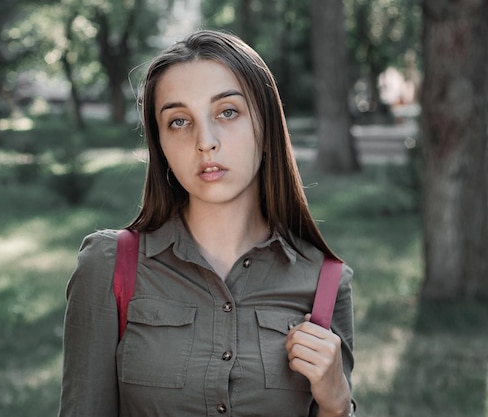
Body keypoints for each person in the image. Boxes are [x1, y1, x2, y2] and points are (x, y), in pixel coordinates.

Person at [58, 29, 355, 417]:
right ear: (160, 146)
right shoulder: (109, 266)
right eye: (179, 121)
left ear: (265, 128)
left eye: (227, 112)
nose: (205, 141)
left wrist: (336, 404)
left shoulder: (326, 283)